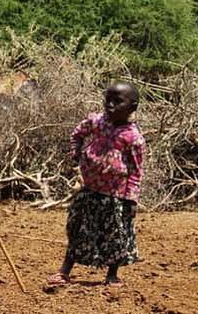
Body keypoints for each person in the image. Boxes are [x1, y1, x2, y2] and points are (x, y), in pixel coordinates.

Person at [48, 82, 145, 288]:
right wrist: (76, 153)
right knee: (78, 229)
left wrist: (131, 199)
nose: (110, 105)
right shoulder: (96, 122)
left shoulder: (133, 137)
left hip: (115, 195)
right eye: (107, 100)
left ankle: (112, 274)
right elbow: (77, 134)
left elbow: (136, 171)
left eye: (117, 102)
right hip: (89, 190)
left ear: (132, 107)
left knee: (115, 234)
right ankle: (64, 271)